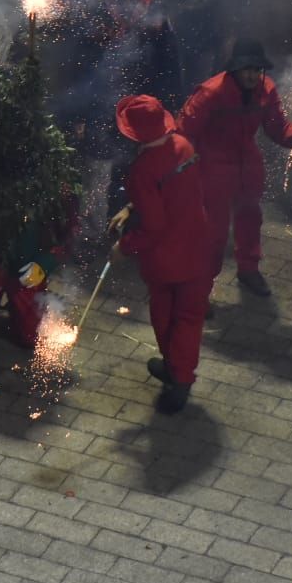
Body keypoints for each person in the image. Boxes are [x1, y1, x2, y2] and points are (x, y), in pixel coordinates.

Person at [178, 41, 292, 296]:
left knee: (250, 218)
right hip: (213, 165)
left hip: (248, 163)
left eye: (257, 69)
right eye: (246, 69)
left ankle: (248, 269)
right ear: (235, 69)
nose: (252, 75)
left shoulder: (266, 89)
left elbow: (277, 128)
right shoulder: (210, 93)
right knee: (213, 233)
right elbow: (184, 132)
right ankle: (199, 289)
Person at [109, 94, 214, 414]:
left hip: (167, 259)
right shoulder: (183, 145)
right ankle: (179, 372)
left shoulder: (143, 169)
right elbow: (172, 194)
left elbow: (154, 225)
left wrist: (123, 248)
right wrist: (131, 207)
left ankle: (178, 379)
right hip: (199, 246)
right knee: (191, 316)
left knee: (168, 318)